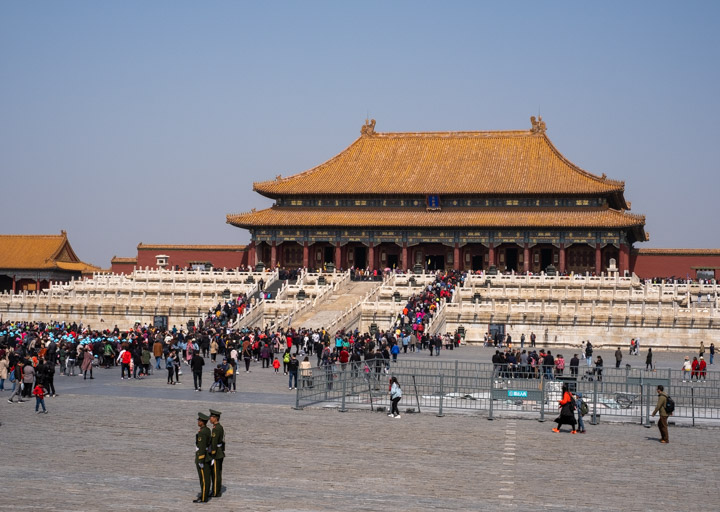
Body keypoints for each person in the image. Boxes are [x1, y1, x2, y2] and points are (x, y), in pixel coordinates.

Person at [194, 412, 212, 502]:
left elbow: (202, 446)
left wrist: (200, 459)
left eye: (199, 421)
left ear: (202, 422)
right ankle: (205, 493)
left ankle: (204, 497)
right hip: (207, 456)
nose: (198, 422)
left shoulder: (203, 432)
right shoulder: (207, 430)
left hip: (203, 458)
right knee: (205, 477)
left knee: (204, 479)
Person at [208, 409, 225, 498]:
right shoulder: (219, 427)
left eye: (211, 417)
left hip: (216, 453)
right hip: (220, 452)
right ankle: (216, 490)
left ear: (215, 418)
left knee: (215, 473)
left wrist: (212, 454)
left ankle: (215, 491)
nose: (210, 419)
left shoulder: (216, 429)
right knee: (217, 472)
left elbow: (214, 443)